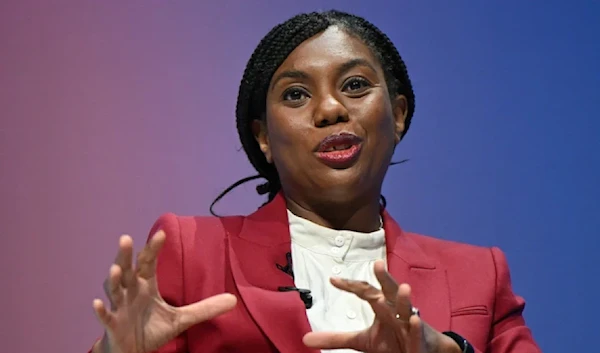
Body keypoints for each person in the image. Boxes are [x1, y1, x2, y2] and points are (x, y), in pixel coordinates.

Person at [88, 9, 541, 353]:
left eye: (356, 85)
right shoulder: (192, 252)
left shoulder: (480, 274)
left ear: (398, 115)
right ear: (263, 136)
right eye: (296, 94)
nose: (330, 109)